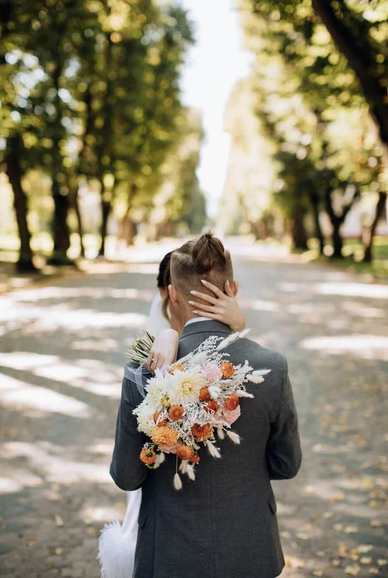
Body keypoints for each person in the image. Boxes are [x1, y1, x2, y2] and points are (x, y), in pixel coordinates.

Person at [110, 232, 302, 578]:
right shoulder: (272, 367)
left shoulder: (145, 372)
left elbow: (126, 476)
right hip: (251, 552)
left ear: (172, 293)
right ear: (233, 289)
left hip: (167, 555)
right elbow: (287, 464)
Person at [99, 246, 247, 578]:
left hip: (166, 537)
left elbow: (125, 475)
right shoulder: (152, 358)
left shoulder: (148, 365)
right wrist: (169, 335)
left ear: (170, 294)